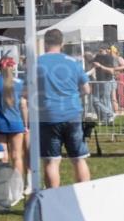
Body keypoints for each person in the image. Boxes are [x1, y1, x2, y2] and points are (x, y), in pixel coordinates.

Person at [36, 28, 90, 188]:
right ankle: (85, 196)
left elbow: (27, 90)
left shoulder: (37, 62)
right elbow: (86, 89)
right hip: (72, 113)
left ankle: (53, 200)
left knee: (52, 161)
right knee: (79, 158)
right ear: (62, 43)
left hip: (48, 115)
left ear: (45, 42)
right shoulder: (73, 62)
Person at [0, 57, 27, 181]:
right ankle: (18, 185)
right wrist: (25, 124)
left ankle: (3, 185)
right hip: (17, 123)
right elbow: (23, 105)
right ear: (12, 67)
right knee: (17, 156)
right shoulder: (19, 83)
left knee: (3, 156)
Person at [90, 44, 117, 122]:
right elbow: (91, 64)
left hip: (106, 80)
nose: (99, 51)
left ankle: (108, 117)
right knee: (95, 100)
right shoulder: (97, 57)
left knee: (105, 100)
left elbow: (112, 71)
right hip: (98, 81)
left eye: (101, 50)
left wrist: (100, 66)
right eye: (98, 50)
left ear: (105, 50)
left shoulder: (109, 58)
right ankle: (107, 117)